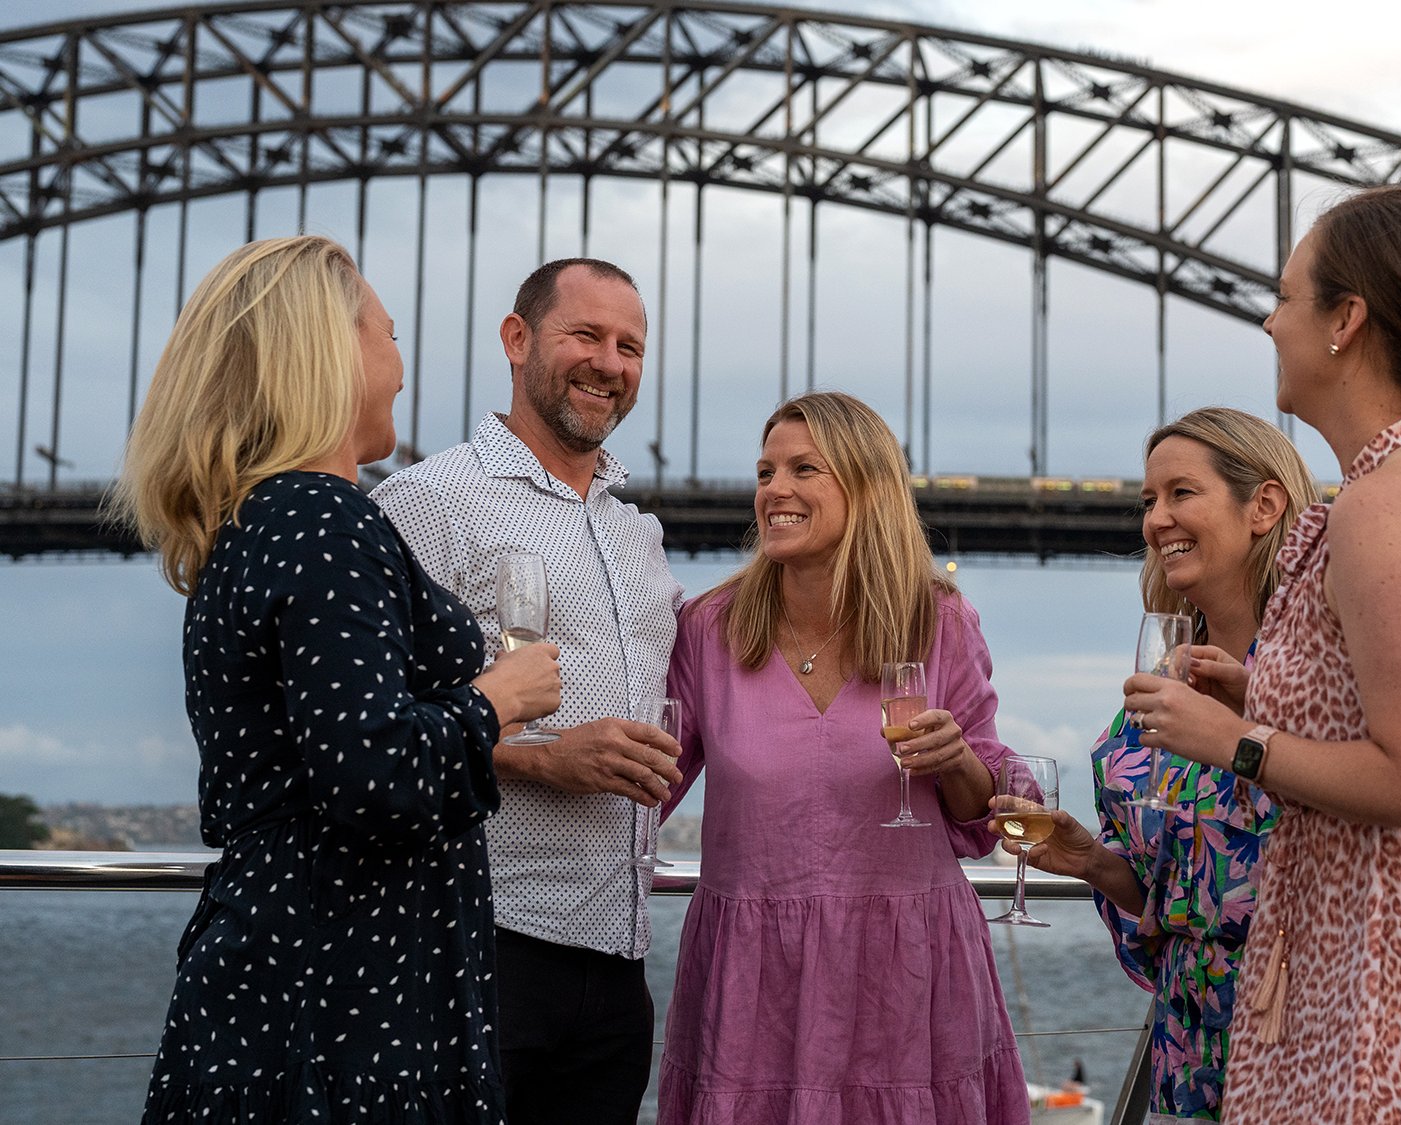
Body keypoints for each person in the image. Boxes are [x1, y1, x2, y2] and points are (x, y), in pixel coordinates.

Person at [1124, 185, 1401, 1120]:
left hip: (1399, 951)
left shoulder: (1386, 505)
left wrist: (1234, 738)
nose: (1269, 318)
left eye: (1286, 296)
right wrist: (1268, 690)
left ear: (1346, 320)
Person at [117, 235, 563, 1122]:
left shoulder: (259, 520)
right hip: (348, 996)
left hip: (287, 971)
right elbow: (374, 775)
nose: (402, 367)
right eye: (388, 337)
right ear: (328, 354)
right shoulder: (324, 520)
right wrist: (495, 699)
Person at [656, 391, 1031, 1125]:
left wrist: (955, 758)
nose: (775, 490)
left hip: (910, 976)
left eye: (804, 469)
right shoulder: (708, 629)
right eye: (765, 472)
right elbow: (647, 788)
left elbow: (979, 815)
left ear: (867, 489)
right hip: (755, 979)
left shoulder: (939, 620)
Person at [372, 258, 684, 1125]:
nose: (610, 363)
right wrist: (547, 760)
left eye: (631, 346)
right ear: (517, 340)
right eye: (585, 335)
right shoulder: (427, 503)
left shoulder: (638, 532)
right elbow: (379, 734)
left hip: (619, 964)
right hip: (481, 946)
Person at [994, 407, 1314, 1121]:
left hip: (1309, 1044)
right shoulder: (1159, 688)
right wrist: (1094, 863)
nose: (1156, 519)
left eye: (1181, 493)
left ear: (1263, 505)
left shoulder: (1317, 675)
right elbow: (1173, 908)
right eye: (1148, 501)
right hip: (1189, 1059)